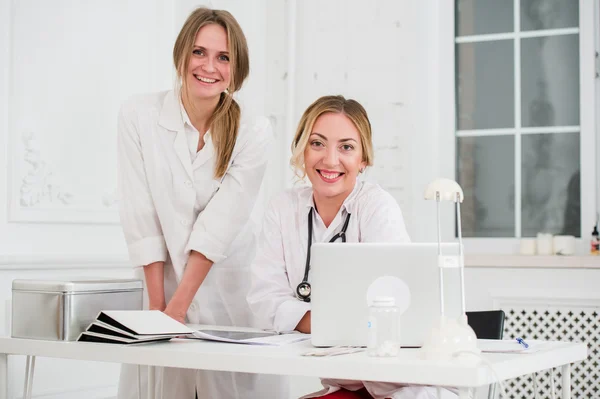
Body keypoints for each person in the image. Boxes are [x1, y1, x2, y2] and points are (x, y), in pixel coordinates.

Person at [116, 7, 286, 399]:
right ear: (181, 55)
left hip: (229, 287)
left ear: (236, 67)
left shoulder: (253, 131)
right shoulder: (138, 115)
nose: (209, 66)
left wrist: (177, 309)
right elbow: (141, 217)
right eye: (199, 52)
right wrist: (159, 312)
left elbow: (218, 227)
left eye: (223, 57)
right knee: (161, 386)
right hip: (160, 284)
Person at [247, 95, 448, 399]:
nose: (330, 160)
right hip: (347, 383)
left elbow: (393, 310)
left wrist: (314, 320)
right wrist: (338, 323)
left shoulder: (376, 207)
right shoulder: (283, 209)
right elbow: (264, 302)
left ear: (363, 159)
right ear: (302, 150)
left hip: (403, 385)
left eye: (346, 147)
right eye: (317, 143)